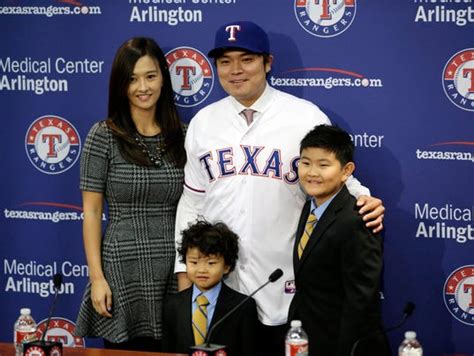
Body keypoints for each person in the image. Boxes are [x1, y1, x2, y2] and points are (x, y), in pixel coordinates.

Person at [174, 21, 385, 356]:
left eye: (246, 59)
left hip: (286, 282)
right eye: (225, 61)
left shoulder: (303, 117)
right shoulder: (203, 122)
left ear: (267, 63)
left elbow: (334, 174)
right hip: (220, 283)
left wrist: (364, 199)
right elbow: (192, 201)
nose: (235, 70)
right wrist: (184, 268)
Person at [74, 37, 186, 351]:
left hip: (173, 267)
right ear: (121, 85)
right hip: (122, 268)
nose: (143, 87)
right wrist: (97, 278)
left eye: (150, 76)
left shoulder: (185, 136)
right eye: (132, 79)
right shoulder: (103, 135)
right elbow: (92, 212)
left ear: (163, 78)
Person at [288, 125, 390, 356]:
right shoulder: (310, 206)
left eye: (323, 165)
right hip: (309, 338)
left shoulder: (357, 220)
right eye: (305, 163)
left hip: (343, 345)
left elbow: (361, 301)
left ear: (346, 171)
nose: (312, 172)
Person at [163, 220, 258, 355]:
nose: (201, 270)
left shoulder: (243, 306)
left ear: (227, 266)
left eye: (211, 263)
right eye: (194, 262)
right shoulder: (172, 304)